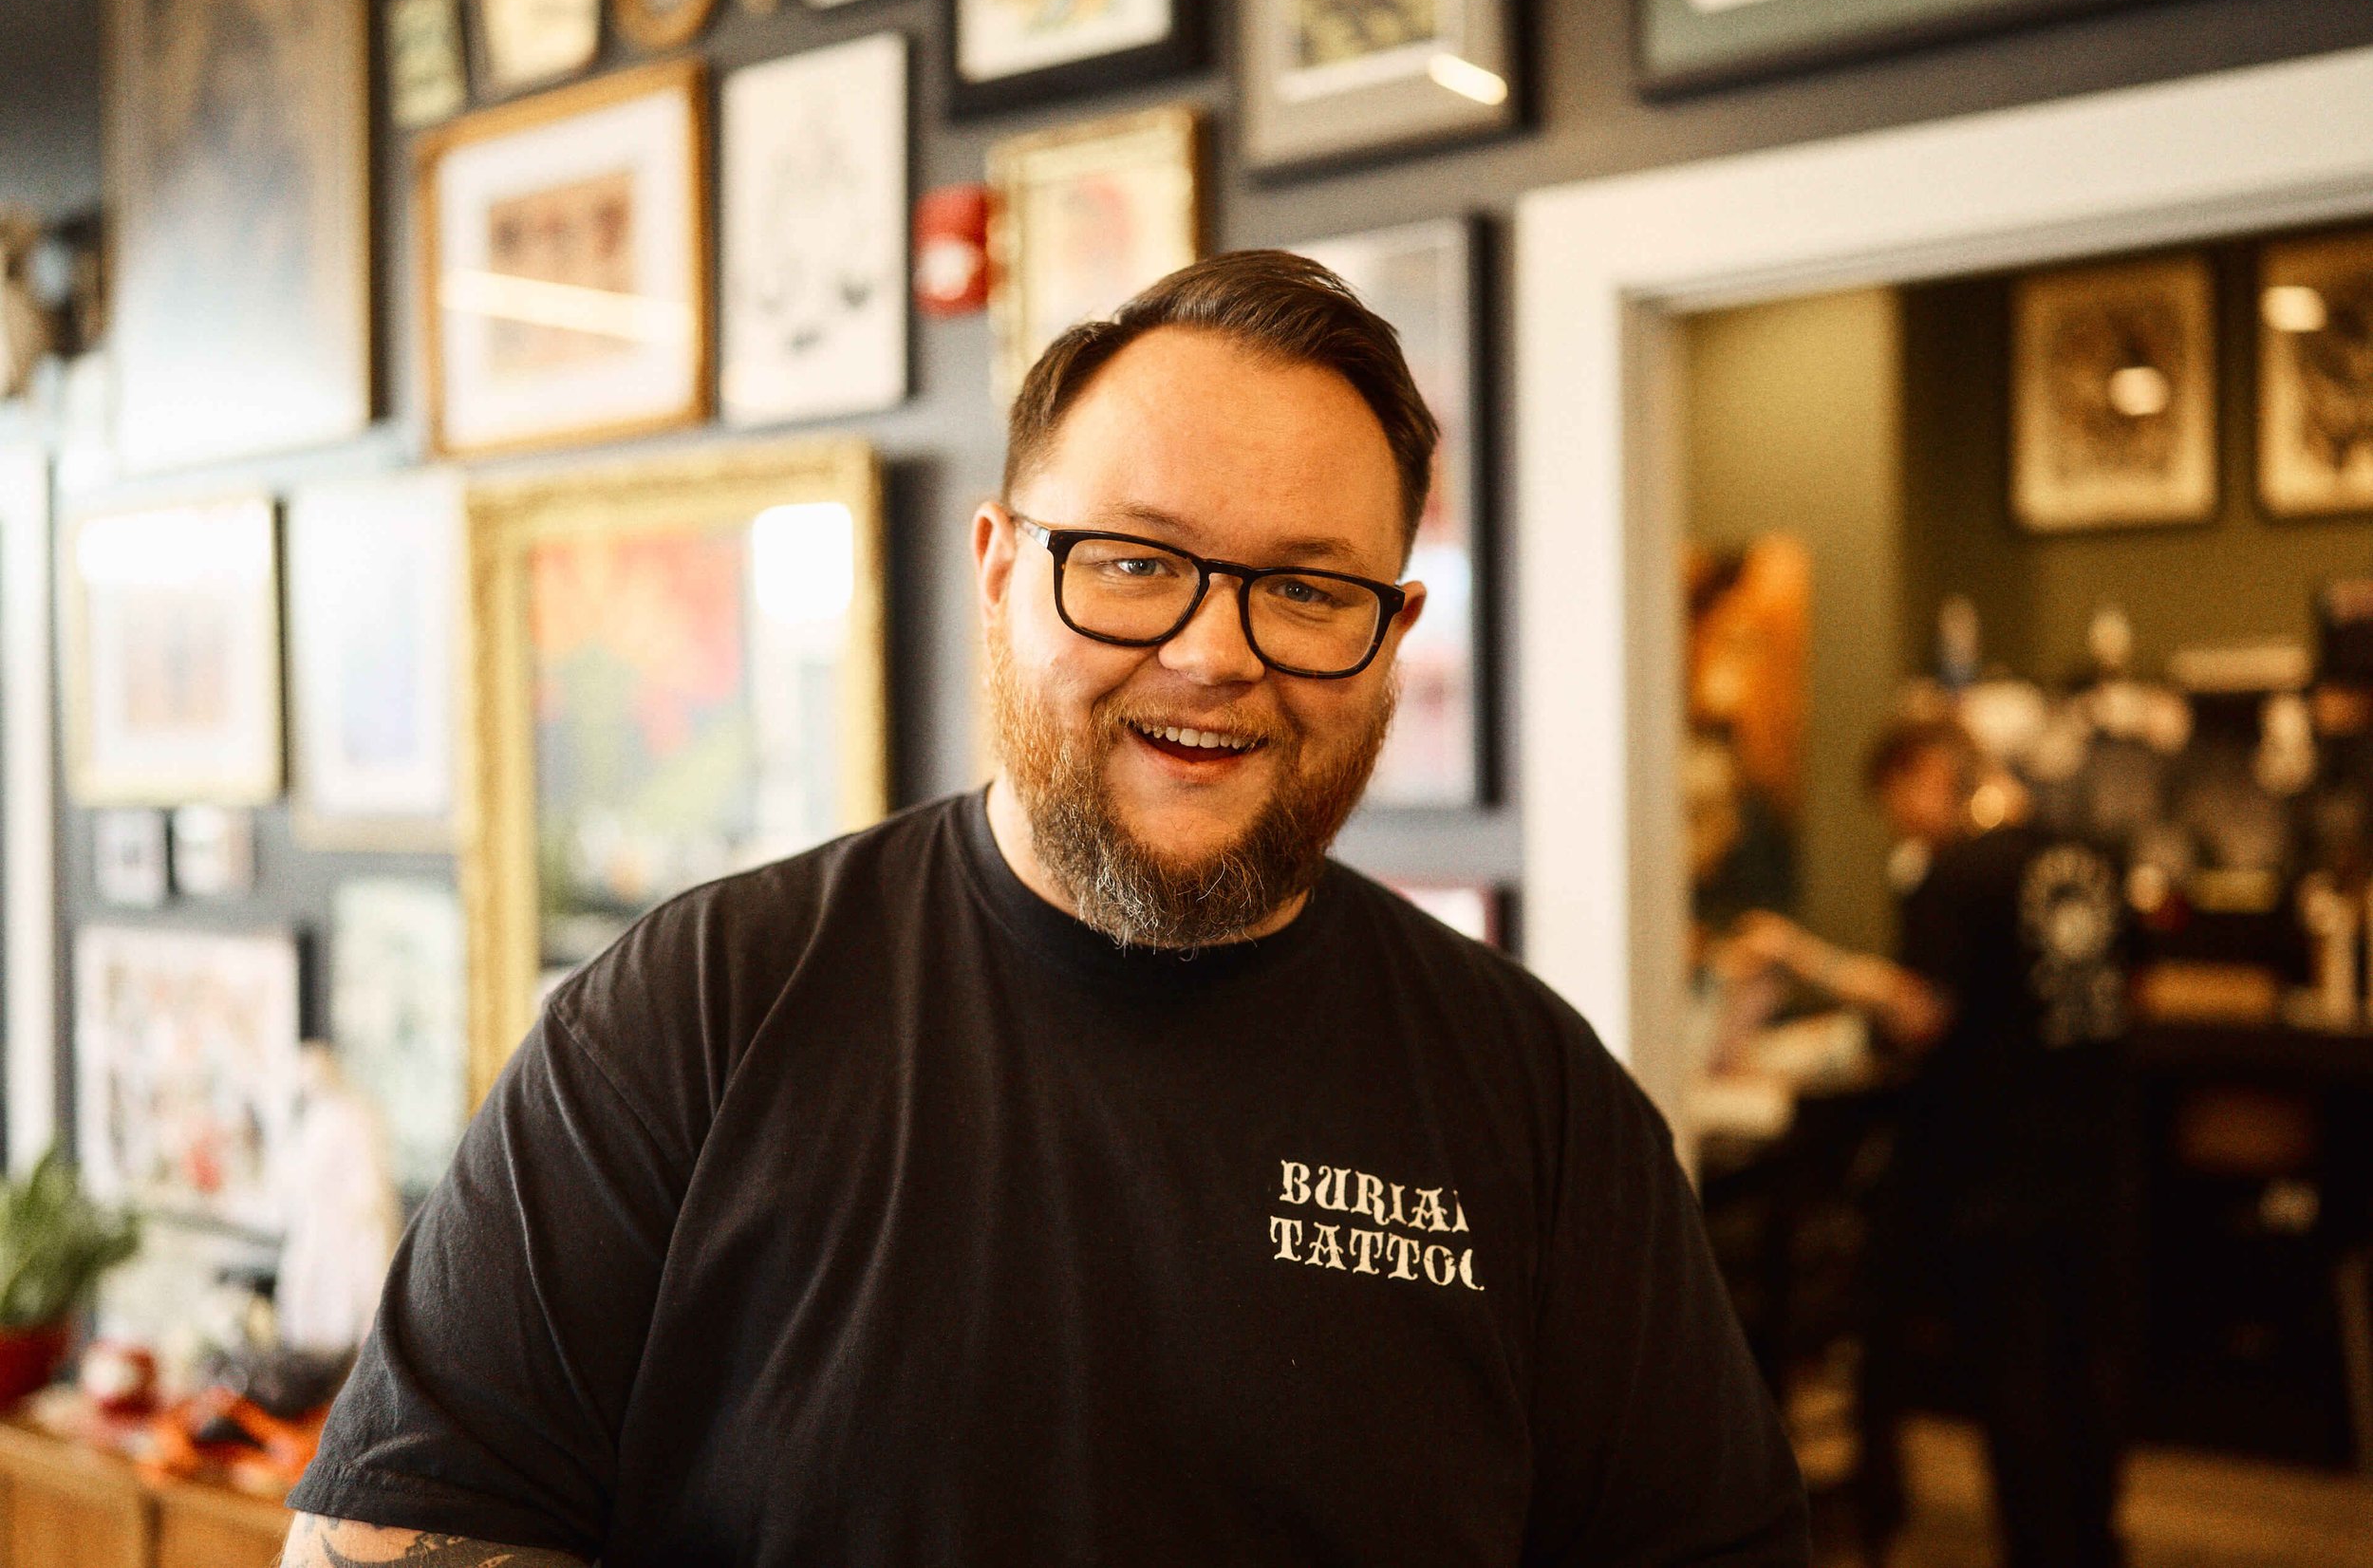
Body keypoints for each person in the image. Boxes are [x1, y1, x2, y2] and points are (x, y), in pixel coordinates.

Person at [282, 252, 1808, 1568]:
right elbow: (400, 1524)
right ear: (1002, 568)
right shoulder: (698, 1011)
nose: (1216, 651)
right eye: (1134, 562)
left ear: (1395, 631)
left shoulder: (1539, 1105)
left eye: (1307, 587)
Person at [1732, 714, 2134, 1568]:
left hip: (2001, 1164)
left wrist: (1807, 957)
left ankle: (2042, 1550)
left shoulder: (1957, 871)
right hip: (2099, 1149)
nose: (1904, 827)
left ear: (1923, 773)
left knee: (2018, 1376)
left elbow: (1923, 1010)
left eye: (1896, 805)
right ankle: (2096, 1541)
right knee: (2088, 1364)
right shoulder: (2088, 855)